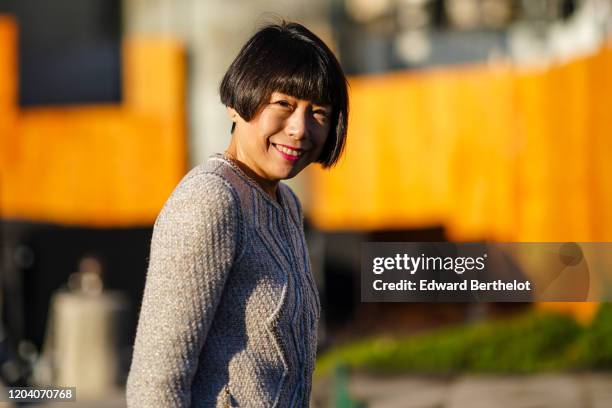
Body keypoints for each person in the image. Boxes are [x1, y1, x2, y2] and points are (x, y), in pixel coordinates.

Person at [126, 21, 349, 407]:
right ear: (237, 102)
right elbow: (155, 383)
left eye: (319, 113)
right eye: (284, 104)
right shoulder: (211, 200)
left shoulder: (286, 204)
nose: (299, 128)